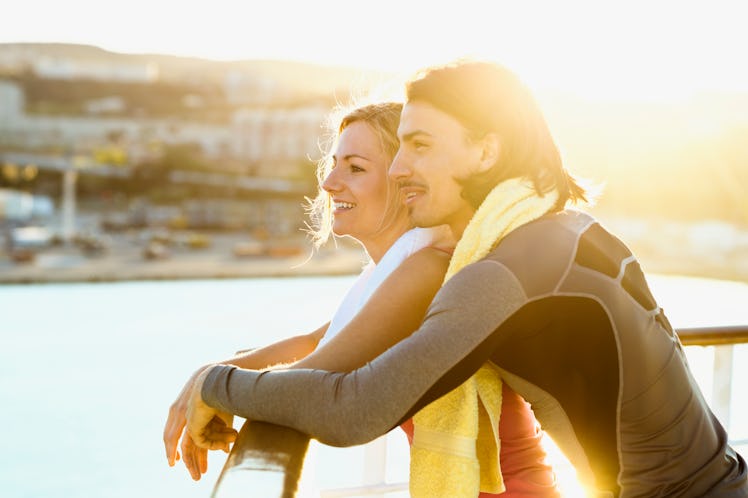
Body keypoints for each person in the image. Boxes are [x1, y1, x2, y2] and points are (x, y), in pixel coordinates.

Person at [186, 61, 748, 497]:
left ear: (486, 151)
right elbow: (329, 341)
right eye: (401, 144)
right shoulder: (551, 229)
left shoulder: (504, 270)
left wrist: (217, 384)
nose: (401, 167)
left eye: (421, 146)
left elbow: (354, 410)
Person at [166, 101, 560, 496]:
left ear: (405, 181)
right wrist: (207, 374)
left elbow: (314, 371)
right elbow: (316, 342)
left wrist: (215, 386)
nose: (329, 182)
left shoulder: (428, 270)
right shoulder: (396, 268)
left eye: (355, 168)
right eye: (334, 163)